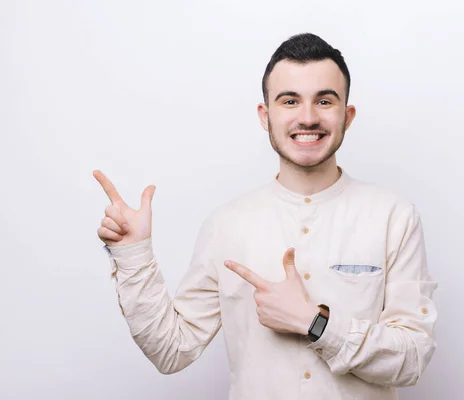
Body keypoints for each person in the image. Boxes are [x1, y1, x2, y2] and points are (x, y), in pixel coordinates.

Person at [94, 32, 439, 400]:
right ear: (265, 115)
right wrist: (134, 256)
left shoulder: (393, 217)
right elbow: (172, 350)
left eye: (324, 100)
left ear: (347, 115)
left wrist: (316, 324)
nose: (307, 117)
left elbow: (412, 357)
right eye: (290, 101)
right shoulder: (226, 224)